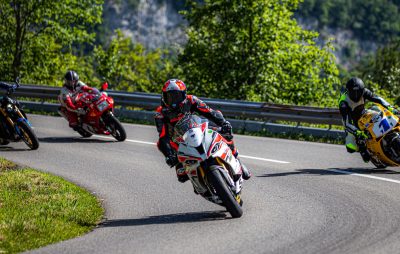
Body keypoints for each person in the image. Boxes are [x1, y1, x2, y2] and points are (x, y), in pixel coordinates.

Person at [154, 79, 251, 183]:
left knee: (225, 133)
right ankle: (198, 180)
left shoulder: (191, 100)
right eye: (170, 97)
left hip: (196, 130)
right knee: (181, 175)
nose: (173, 101)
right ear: (163, 97)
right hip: (177, 140)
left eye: (177, 96)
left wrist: (223, 122)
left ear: (184, 95)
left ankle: (237, 160)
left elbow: (209, 112)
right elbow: (163, 137)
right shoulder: (160, 113)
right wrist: (169, 155)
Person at [338, 77, 399, 162]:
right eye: (353, 92)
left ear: (362, 90)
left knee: (383, 112)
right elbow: (347, 123)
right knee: (351, 147)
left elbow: (378, 99)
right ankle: (363, 150)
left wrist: (390, 107)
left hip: (364, 113)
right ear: (348, 91)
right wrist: (357, 132)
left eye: (358, 92)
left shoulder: (364, 91)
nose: (356, 95)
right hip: (352, 121)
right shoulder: (343, 102)